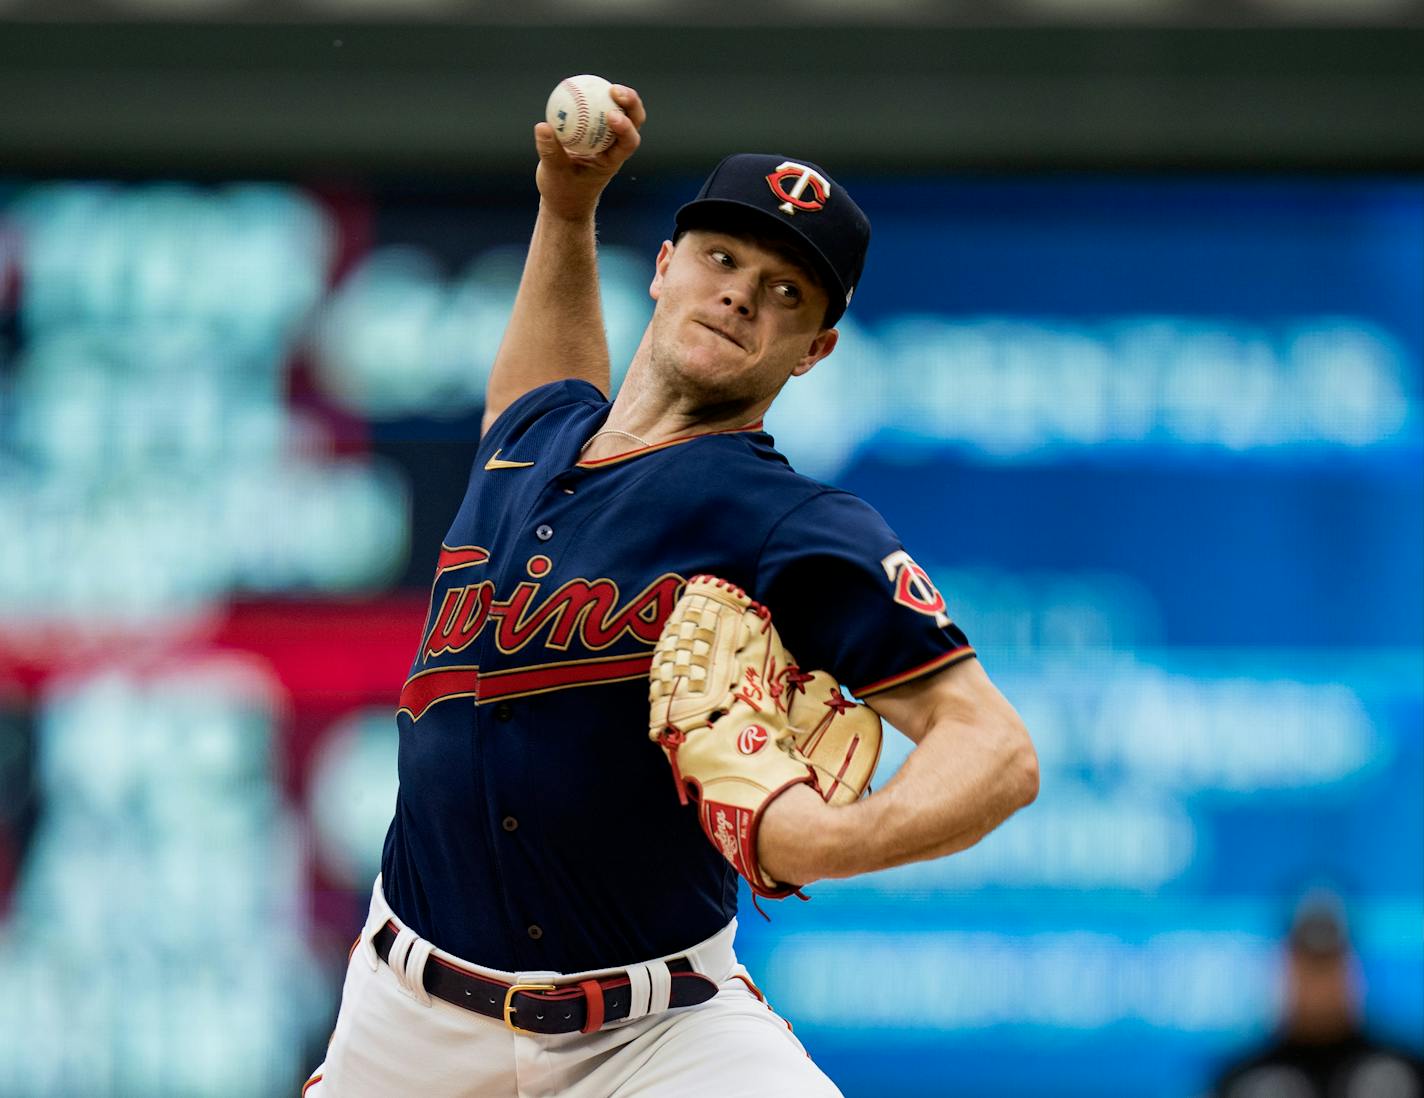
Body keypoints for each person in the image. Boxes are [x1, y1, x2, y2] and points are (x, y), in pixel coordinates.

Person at [304, 85, 1038, 1098]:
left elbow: (994, 749)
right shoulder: (530, 440)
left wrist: (827, 840)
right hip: (406, 1023)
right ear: (662, 267)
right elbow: (548, 374)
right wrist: (566, 209)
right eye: (723, 258)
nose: (742, 294)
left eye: (786, 291)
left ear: (816, 349)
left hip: (655, 1040)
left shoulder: (787, 521)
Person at [1211, 893, 1424, 1098]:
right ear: (1287, 968)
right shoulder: (1243, 1080)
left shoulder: (1406, 1070)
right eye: (1309, 966)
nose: (1319, 984)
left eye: (1328, 965)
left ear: (1352, 968)